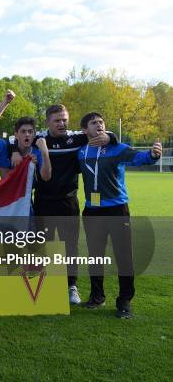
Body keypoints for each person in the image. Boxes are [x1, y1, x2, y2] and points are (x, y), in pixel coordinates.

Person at [11, 104, 117, 305]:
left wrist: (111, 137)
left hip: (68, 201)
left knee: (70, 247)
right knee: (42, 245)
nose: (62, 124)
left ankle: (71, 286)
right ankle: (46, 285)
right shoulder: (39, 139)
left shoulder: (76, 138)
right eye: (57, 120)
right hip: (43, 201)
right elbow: (13, 140)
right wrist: (16, 151)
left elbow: (100, 131)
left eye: (64, 120)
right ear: (47, 122)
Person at [78, 112, 161, 319]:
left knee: (124, 257)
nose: (99, 125)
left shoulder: (118, 148)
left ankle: (124, 301)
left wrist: (153, 155)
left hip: (117, 209)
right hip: (92, 210)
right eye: (93, 123)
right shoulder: (80, 151)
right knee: (95, 256)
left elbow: (141, 158)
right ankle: (97, 297)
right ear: (84, 130)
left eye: (101, 122)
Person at [13, 117, 52, 182]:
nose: (27, 134)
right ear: (16, 135)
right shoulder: (9, 151)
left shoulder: (38, 152)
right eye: (23, 131)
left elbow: (46, 177)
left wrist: (45, 152)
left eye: (30, 132)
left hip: (28, 192)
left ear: (34, 135)